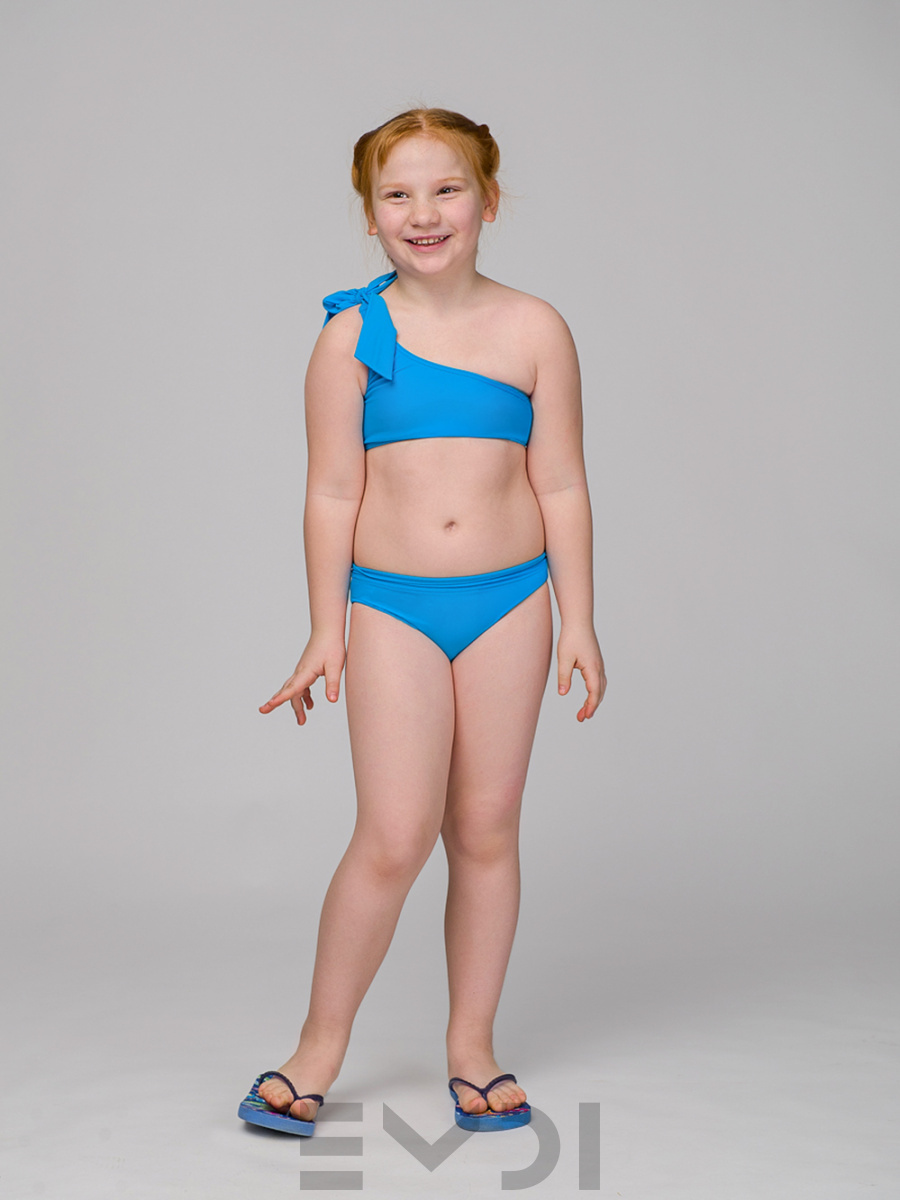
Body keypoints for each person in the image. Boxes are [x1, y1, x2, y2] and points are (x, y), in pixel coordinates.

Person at [237, 107, 607, 1137]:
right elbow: (331, 493)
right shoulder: (348, 338)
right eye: (396, 194)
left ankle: (472, 1046)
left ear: (489, 200)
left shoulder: (535, 330)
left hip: (511, 602)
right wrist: (327, 628)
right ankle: (318, 1047)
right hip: (394, 605)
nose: (423, 212)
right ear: (370, 216)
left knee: (485, 828)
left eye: (447, 189)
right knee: (395, 835)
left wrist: (578, 617)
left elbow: (563, 483)